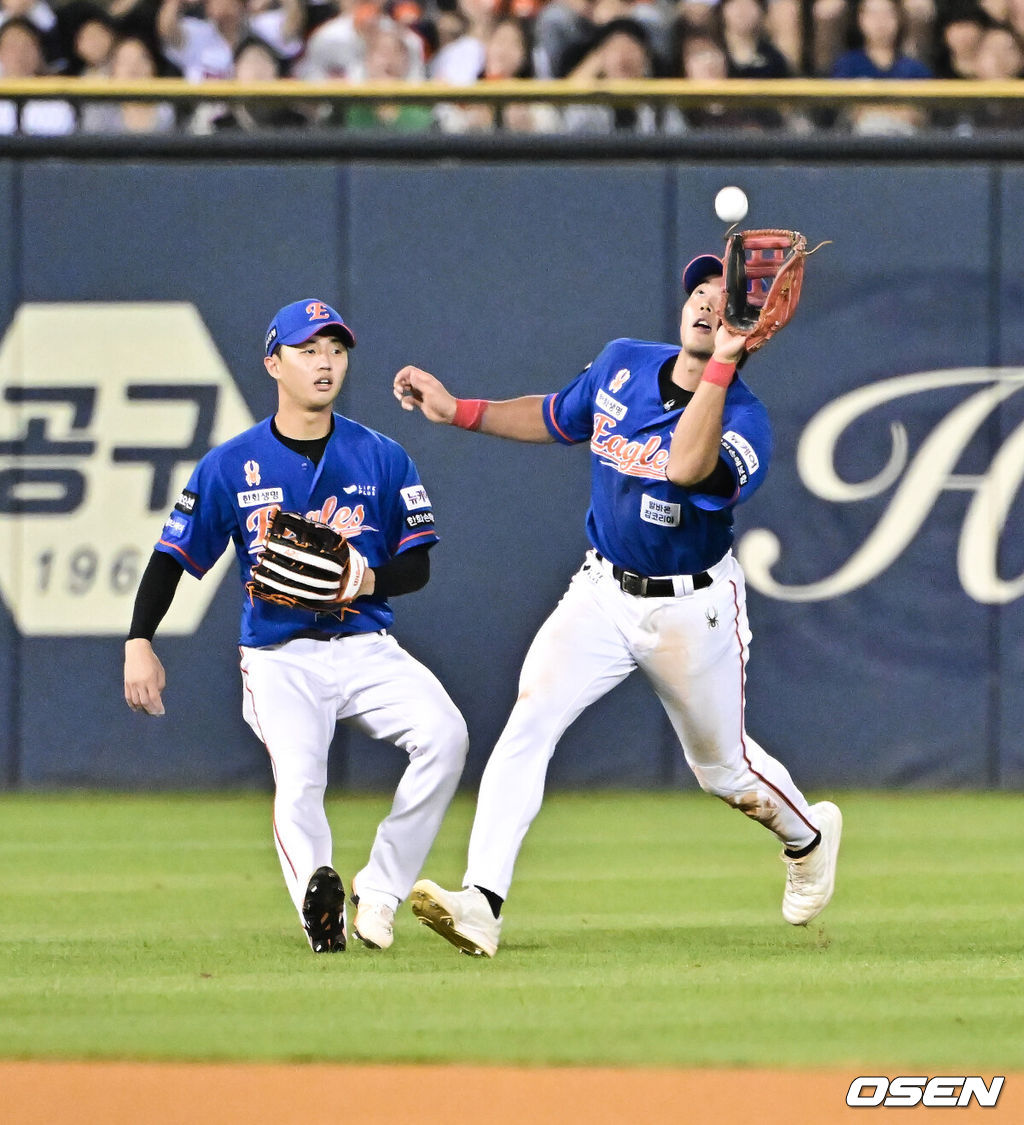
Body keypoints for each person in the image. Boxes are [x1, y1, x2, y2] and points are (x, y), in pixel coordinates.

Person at [392, 254, 842, 958]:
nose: (704, 303)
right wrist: (459, 412)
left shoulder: (748, 424)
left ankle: (808, 836)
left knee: (722, 770)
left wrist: (723, 364)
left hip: (691, 611)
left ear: (749, 330)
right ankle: (481, 902)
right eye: (699, 289)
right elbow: (554, 415)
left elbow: (686, 466)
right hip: (602, 590)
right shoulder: (622, 363)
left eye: (723, 300)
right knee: (529, 718)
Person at [124, 299, 469, 954]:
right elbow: (172, 557)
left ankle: (383, 890)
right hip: (279, 655)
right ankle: (319, 900)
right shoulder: (231, 464)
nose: (325, 362)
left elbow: (418, 563)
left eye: (336, 350)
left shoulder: (381, 455)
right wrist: (140, 637)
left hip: (366, 644)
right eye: (309, 350)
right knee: (301, 775)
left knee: (446, 734)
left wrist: (368, 579)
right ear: (273, 363)